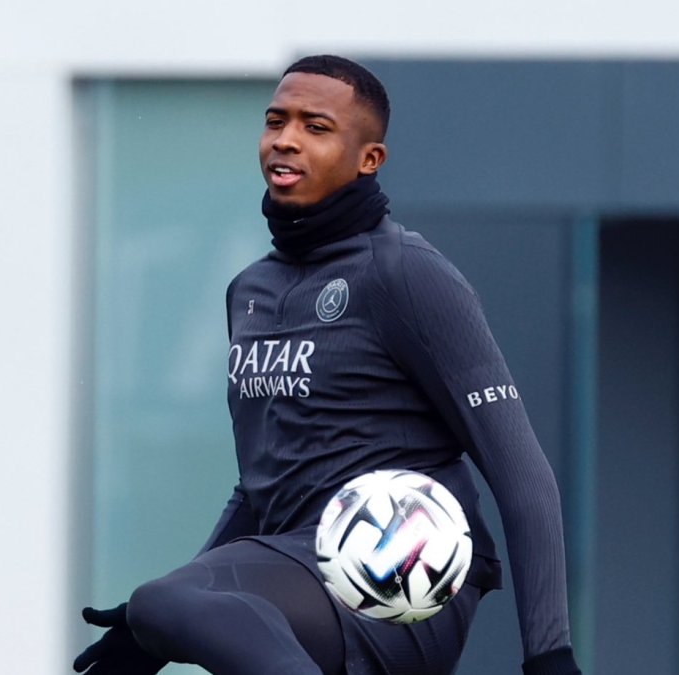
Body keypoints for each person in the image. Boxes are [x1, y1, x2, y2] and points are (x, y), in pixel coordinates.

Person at [73, 54, 581, 675]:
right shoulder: (249, 290)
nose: (285, 140)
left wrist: (549, 653)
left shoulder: (406, 275)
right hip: (295, 567)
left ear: (369, 159)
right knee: (159, 602)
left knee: (166, 602)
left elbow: (522, 474)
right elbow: (260, 488)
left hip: (401, 576)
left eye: (315, 127)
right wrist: (164, 618)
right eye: (275, 121)